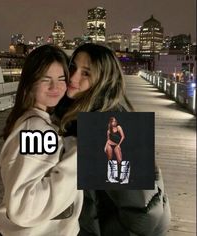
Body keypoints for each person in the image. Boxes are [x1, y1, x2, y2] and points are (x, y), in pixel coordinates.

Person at [55, 43, 171, 236]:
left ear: (104, 80)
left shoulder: (107, 123)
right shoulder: (79, 114)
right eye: (73, 67)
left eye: (86, 73)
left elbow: (143, 213)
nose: (73, 77)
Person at [0, 44, 83, 236]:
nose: (55, 87)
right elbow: (24, 208)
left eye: (61, 79)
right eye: (46, 79)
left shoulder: (30, 121)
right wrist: (79, 159)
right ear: (30, 83)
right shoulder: (37, 130)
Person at [104, 116, 125, 183]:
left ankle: (120, 177)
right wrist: (105, 147)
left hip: (116, 145)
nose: (115, 122)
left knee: (119, 160)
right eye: (113, 121)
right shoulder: (108, 131)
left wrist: (119, 145)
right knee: (110, 160)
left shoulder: (118, 127)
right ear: (110, 122)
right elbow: (108, 140)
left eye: (115, 121)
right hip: (109, 145)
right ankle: (110, 177)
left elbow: (123, 136)